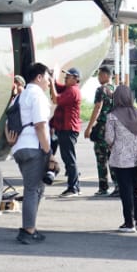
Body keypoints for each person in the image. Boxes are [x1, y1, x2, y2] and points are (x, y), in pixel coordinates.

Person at [11, 63, 55, 245]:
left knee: (37, 188)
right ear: (38, 77)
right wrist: (49, 152)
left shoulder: (20, 97)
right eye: (47, 77)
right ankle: (28, 231)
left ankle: (31, 227)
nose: (49, 81)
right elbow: (40, 125)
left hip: (19, 148)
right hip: (33, 148)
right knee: (32, 189)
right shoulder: (37, 96)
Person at [104, 84, 137, 231]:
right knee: (135, 190)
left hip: (121, 159)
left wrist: (112, 146)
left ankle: (128, 223)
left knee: (125, 191)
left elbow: (109, 138)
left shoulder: (112, 116)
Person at [83, 65, 117, 197]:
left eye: (100, 74)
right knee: (113, 157)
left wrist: (89, 127)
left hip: (103, 127)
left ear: (107, 75)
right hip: (114, 127)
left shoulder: (101, 90)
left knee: (101, 157)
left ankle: (103, 186)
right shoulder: (115, 89)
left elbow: (98, 107)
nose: (98, 77)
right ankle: (118, 185)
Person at [53, 67, 85, 197]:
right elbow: (57, 86)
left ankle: (73, 188)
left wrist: (51, 80)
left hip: (68, 128)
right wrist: (53, 78)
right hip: (65, 128)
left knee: (69, 159)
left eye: (68, 76)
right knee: (68, 158)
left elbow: (56, 99)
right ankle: (74, 186)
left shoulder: (72, 91)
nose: (66, 78)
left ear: (76, 79)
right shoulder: (69, 89)